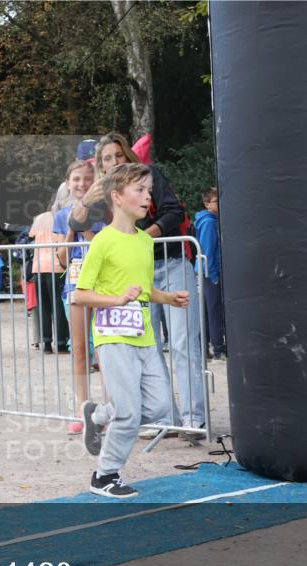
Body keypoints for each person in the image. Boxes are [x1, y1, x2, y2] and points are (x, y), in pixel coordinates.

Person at [75, 163, 189, 498]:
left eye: (149, 190)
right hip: (113, 338)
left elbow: (144, 288)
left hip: (145, 338)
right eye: (139, 190)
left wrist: (169, 298)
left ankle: (98, 415)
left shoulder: (143, 241)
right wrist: (115, 299)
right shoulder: (102, 242)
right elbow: (81, 295)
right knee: (128, 413)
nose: (147, 196)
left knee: (158, 408)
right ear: (117, 197)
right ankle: (104, 476)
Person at [95, 132, 206, 439]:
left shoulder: (151, 176)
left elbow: (174, 212)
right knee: (148, 346)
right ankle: (164, 417)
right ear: (101, 166)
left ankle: (194, 417)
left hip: (171, 264)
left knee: (183, 344)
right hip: (135, 275)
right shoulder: (107, 197)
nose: (115, 161)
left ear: (128, 155)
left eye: (119, 155)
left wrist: (146, 238)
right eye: (108, 158)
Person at [55, 160, 98, 433]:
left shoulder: (106, 211)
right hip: (75, 285)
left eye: (86, 179)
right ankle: (84, 411)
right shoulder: (61, 215)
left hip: (103, 286)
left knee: (106, 352)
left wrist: (86, 223)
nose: (81, 184)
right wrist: (72, 225)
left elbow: (102, 247)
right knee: (80, 350)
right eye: (76, 179)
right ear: (68, 183)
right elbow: (61, 258)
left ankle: (111, 409)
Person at [29, 210, 69, 353]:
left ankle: (46, 343)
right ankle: (61, 342)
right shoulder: (60, 216)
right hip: (56, 266)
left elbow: (31, 235)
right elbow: (60, 241)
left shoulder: (39, 217)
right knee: (58, 306)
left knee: (44, 307)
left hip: (38, 266)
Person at [195, 187, 226, 360]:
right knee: (214, 311)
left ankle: (208, 347)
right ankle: (218, 349)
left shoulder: (211, 220)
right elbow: (207, 252)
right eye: (216, 201)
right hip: (210, 273)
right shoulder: (209, 222)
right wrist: (212, 275)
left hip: (208, 272)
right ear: (207, 204)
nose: (219, 204)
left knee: (209, 311)